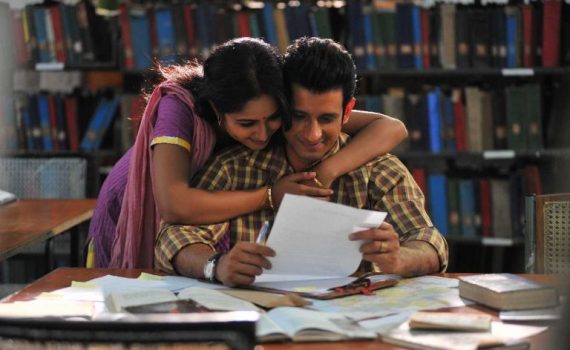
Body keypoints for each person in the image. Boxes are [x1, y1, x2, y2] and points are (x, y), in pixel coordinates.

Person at [88, 37, 408, 268]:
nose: (263, 133)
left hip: (205, 202)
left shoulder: (298, 113)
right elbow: (174, 206)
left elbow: (391, 127)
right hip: (136, 204)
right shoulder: (179, 109)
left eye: (274, 119)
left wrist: (325, 173)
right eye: (246, 123)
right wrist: (271, 196)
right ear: (216, 110)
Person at [154, 37, 448, 286]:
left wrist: (400, 258)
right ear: (281, 106)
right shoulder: (234, 166)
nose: (312, 134)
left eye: (327, 118)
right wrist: (216, 265)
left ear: (348, 112)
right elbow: (172, 235)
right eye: (299, 116)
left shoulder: (379, 170)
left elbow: (429, 241)